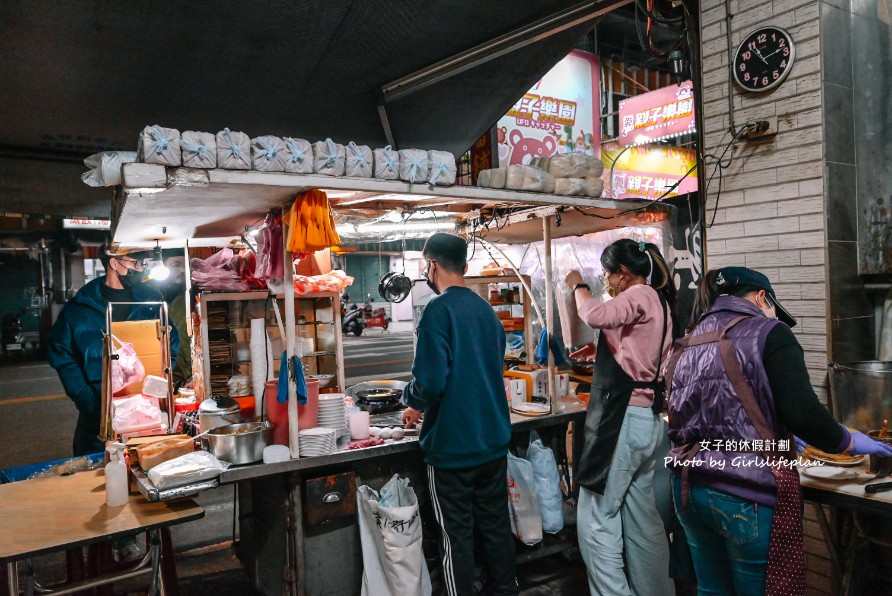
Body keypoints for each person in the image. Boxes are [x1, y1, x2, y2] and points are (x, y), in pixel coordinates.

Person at [665, 267, 892, 595]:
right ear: (761, 298)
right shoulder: (768, 331)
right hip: (741, 490)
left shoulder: (685, 343)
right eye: (773, 307)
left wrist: (775, 430)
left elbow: (703, 415)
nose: (773, 316)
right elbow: (804, 414)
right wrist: (848, 440)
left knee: (713, 590)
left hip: (688, 488)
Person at [400, 232, 518, 596]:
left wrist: (413, 402)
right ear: (464, 267)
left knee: (455, 539)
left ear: (431, 266)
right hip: (493, 442)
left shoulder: (438, 310)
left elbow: (431, 382)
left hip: (452, 448)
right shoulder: (486, 310)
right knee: (496, 530)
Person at [564, 238, 677, 596]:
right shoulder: (658, 301)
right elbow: (640, 354)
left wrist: (577, 285)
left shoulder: (639, 294)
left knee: (596, 520)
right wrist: (603, 348)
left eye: (607, 275)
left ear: (623, 273)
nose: (606, 282)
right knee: (643, 522)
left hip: (622, 422)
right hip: (646, 421)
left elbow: (594, 314)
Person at [48, 248, 178, 456]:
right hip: (97, 411)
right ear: (114, 263)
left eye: (142, 264)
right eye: (135, 263)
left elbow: (171, 341)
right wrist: (86, 398)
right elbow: (60, 354)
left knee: (146, 466)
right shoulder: (79, 308)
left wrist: (160, 383)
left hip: (145, 407)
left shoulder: (151, 301)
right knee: (99, 473)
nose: (140, 269)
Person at [153, 249, 191, 388]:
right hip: (158, 378)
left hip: (188, 381)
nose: (182, 270)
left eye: (185, 265)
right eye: (176, 265)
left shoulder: (192, 298)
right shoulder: (150, 298)